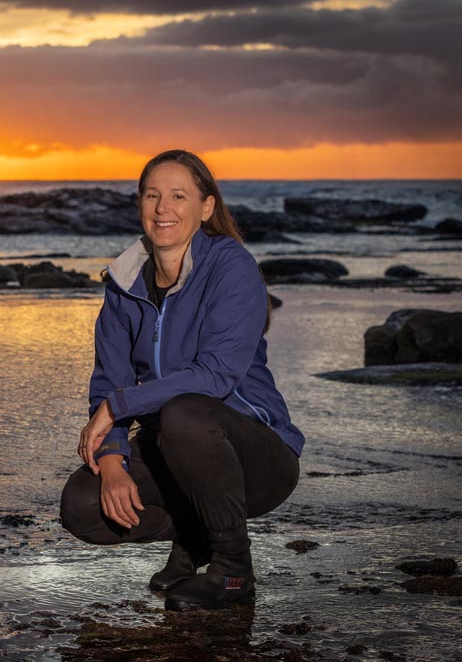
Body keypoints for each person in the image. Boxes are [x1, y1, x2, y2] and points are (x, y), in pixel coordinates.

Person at [60, 149, 304, 610]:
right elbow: (107, 382)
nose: (162, 208)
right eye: (152, 195)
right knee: (81, 507)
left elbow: (215, 376)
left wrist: (119, 406)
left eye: (178, 196)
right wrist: (112, 460)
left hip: (257, 459)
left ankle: (233, 570)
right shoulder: (124, 284)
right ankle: (194, 535)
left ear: (205, 208)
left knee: (184, 412)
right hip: (176, 452)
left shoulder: (231, 268)